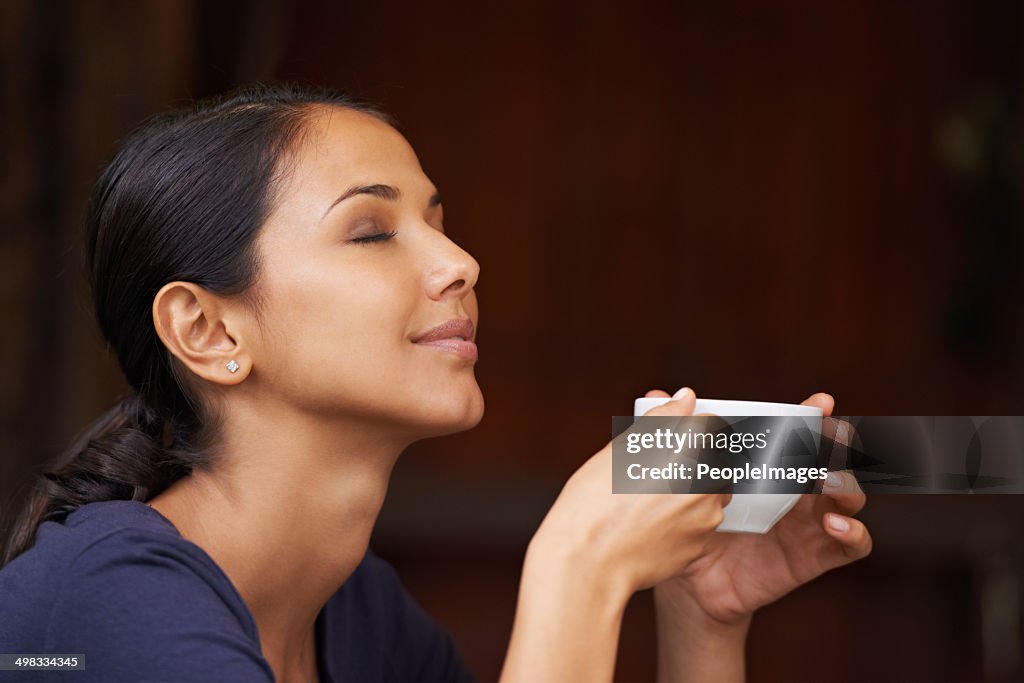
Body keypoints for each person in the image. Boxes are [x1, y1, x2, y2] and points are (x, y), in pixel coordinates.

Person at [0, 84, 871, 683]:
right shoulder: (108, 601)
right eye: (372, 231)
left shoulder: (359, 616)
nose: (461, 263)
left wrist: (703, 624)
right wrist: (580, 562)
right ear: (209, 329)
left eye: (439, 224)